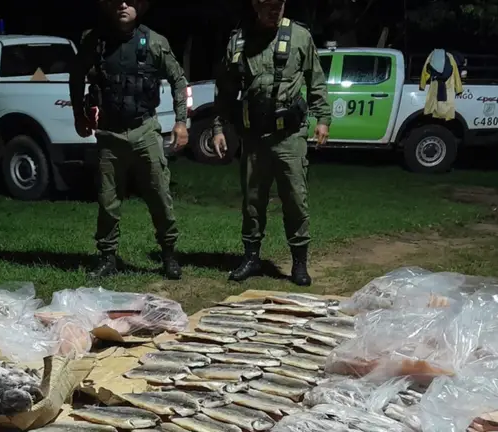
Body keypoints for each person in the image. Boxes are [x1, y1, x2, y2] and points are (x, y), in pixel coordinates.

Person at [212, 0, 332, 286]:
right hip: (254, 138)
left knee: (295, 200)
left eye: (279, 4)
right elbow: (225, 90)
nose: (274, 9)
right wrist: (218, 127)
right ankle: (251, 258)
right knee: (253, 202)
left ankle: (299, 264)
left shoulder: (300, 36)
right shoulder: (239, 41)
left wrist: (323, 118)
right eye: (267, 4)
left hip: (289, 137)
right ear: (255, 5)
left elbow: (316, 79)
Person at [70, 0, 189, 280]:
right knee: (107, 200)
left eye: (130, 1)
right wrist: (79, 114)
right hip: (109, 134)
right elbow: (76, 76)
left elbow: (178, 80)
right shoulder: (95, 41)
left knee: (159, 195)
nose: (123, 5)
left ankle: (169, 255)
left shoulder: (154, 42)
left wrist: (181, 122)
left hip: (144, 130)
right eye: (117, 1)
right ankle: (107, 257)